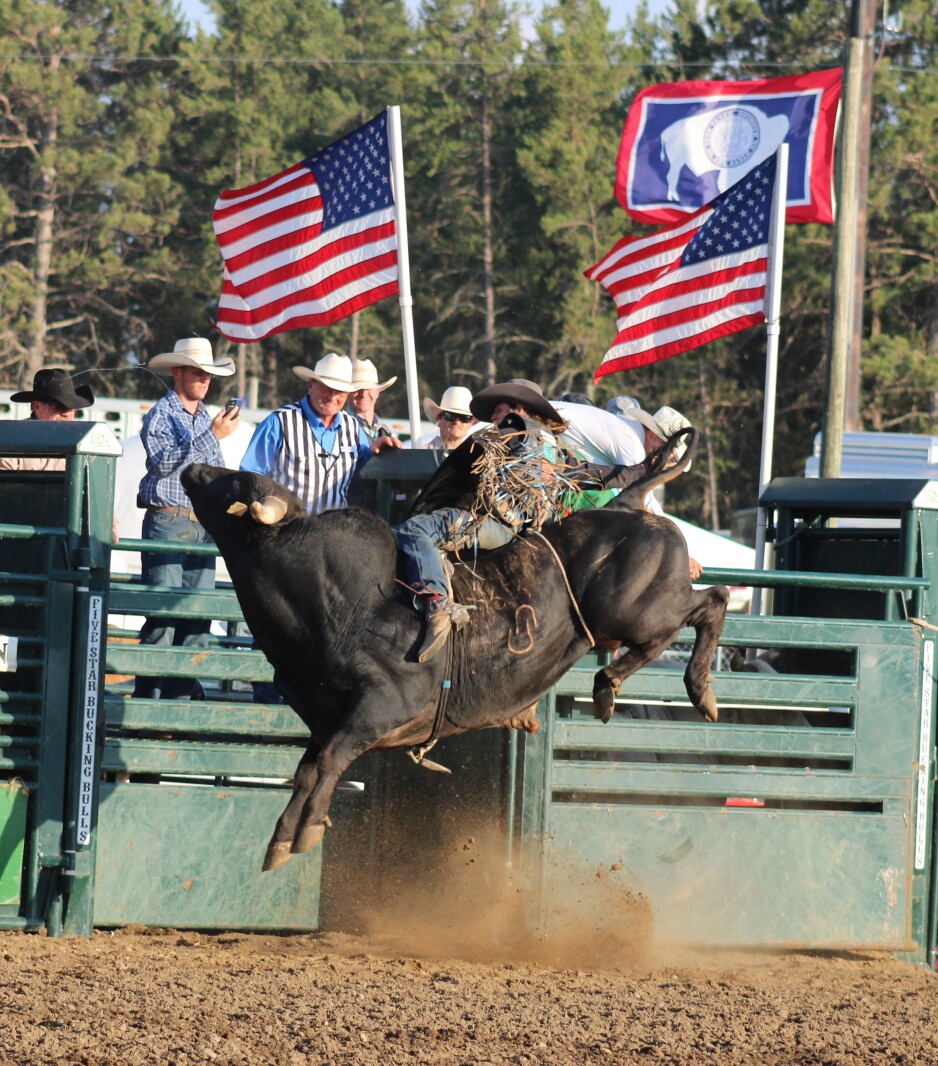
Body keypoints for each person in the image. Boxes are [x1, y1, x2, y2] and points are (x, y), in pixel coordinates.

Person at [394, 379, 639, 663]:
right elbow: (601, 475)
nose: (494, 418)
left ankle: (437, 606)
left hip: (495, 524)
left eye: (498, 411)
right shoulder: (558, 453)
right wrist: (645, 469)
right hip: (520, 532)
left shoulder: (514, 427)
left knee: (414, 529)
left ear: (518, 408)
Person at [132, 336, 241, 701]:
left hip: (200, 525)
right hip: (170, 520)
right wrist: (212, 435)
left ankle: (176, 709)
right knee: (163, 615)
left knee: (198, 620)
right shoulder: (161, 414)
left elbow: (209, 470)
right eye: (198, 372)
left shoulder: (203, 418)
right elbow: (164, 466)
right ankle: (149, 707)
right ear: (178, 372)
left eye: (208, 374)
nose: (205, 379)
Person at [240, 352, 401, 514]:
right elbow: (251, 476)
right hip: (288, 529)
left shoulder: (352, 427)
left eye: (340, 391)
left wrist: (376, 451)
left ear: (346, 395)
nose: (332, 397)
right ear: (310, 385)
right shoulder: (280, 422)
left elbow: (363, 474)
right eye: (326, 388)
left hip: (335, 531)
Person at [0, 368, 95, 471]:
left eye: (73, 408)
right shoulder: (12, 440)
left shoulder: (81, 443)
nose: (67, 413)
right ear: (37, 407)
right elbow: (5, 484)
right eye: (58, 406)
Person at [347, 359, 397, 443]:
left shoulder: (384, 431)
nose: (363, 394)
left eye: (369, 388)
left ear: (377, 392)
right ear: (347, 393)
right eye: (358, 389)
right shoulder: (340, 428)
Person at [416, 386, 479, 450]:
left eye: (464, 418)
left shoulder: (477, 457)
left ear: (471, 424)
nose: (457, 422)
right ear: (439, 419)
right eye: (450, 415)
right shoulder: (420, 455)